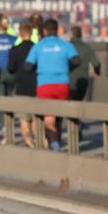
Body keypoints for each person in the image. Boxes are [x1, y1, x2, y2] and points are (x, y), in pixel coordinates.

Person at [24, 18, 80, 151]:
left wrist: (39, 66)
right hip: (62, 85)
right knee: (58, 118)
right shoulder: (65, 45)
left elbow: (27, 67)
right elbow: (77, 60)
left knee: (49, 120)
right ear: (57, 30)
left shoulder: (38, 46)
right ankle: (57, 142)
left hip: (45, 85)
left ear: (44, 31)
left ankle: (54, 144)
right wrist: (67, 67)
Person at [8, 22, 38, 147]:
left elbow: (11, 69)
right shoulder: (37, 48)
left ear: (20, 34)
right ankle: (39, 143)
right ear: (31, 34)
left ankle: (29, 144)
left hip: (21, 88)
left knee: (24, 121)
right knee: (36, 120)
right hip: (37, 88)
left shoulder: (15, 50)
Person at [67, 25, 101, 101]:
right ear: (81, 35)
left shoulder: (66, 46)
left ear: (71, 35)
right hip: (83, 84)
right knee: (78, 105)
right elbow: (96, 64)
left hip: (68, 83)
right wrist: (97, 72)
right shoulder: (88, 48)